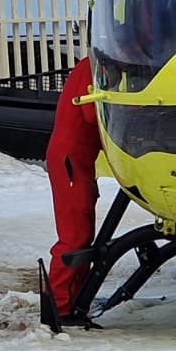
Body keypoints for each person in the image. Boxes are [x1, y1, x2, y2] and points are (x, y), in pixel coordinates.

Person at [44, 56, 102, 323]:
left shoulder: (94, 64)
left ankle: (78, 300)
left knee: (84, 232)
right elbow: (92, 112)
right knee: (74, 236)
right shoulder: (93, 67)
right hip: (70, 159)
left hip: (77, 159)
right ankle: (60, 308)